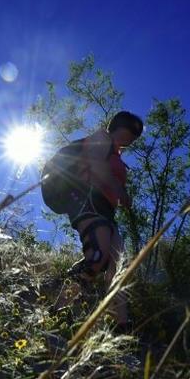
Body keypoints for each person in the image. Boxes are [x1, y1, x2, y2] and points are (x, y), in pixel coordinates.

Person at [64, 111, 143, 329]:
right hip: (88, 201)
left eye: (136, 136)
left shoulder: (116, 154)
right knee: (97, 256)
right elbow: (96, 167)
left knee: (117, 266)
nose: (133, 138)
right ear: (118, 126)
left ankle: (121, 323)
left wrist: (121, 196)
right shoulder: (102, 138)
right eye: (131, 131)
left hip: (107, 210)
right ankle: (59, 308)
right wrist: (120, 190)